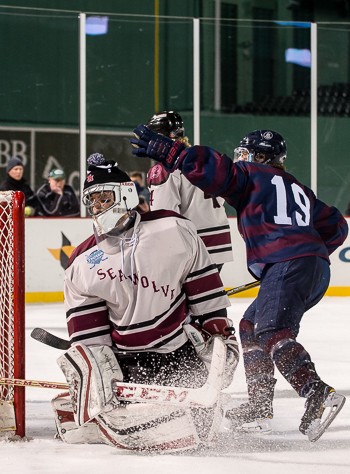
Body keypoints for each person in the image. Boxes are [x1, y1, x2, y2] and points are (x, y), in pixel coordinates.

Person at [130, 126, 349, 442]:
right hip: (308, 266)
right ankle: (260, 407)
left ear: (261, 157)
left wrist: (174, 153)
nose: (240, 160)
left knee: (273, 331)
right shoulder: (297, 187)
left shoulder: (252, 175)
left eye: (245, 154)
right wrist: (308, 253)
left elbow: (218, 172)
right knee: (249, 325)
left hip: (291, 264)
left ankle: (318, 393)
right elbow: (337, 226)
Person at [51, 152, 239, 453]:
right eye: (92, 201)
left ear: (126, 194)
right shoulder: (82, 264)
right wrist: (96, 370)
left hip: (179, 353)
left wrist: (220, 338)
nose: (97, 208)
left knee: (204, 431)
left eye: (104, 198)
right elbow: (91, 338)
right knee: (147, 427)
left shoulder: (174, 229)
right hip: (128, 364)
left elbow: (207, 299)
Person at [146, 111, 233, 272]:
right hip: (218, 241)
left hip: (192, 246)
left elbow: (165, 214)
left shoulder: (164, 169)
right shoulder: (203, 158)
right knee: (208, 296)